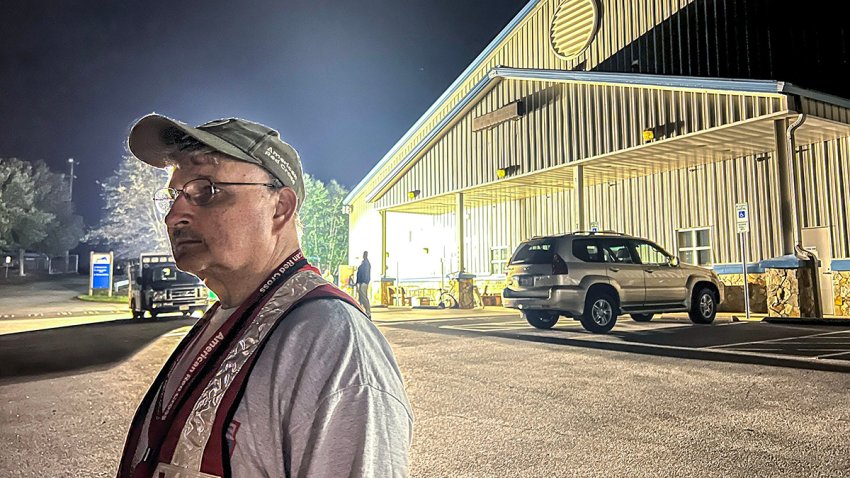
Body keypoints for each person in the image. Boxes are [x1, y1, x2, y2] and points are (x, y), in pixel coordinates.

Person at [116, 114, 413, 478]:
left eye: (205, 190)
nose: (174, 216)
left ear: (280, 207)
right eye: (175, 195)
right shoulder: (226, 317)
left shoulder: (331, 342)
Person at [355, 251, 371, 317]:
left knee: (364, 297)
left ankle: (368, 311)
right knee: (361, 297)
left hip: (363, 282)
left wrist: (363, 281)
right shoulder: (364, 263)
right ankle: (363, 310)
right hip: (362, 282)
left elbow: (364, 274)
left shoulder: (366, 263)